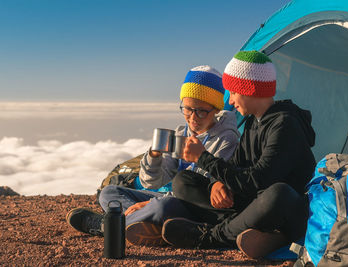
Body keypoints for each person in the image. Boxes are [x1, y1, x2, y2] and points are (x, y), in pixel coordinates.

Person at [161, 51, 316, 259]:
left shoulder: (285, 125)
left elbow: (256, 180)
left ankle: (212, 237)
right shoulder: (254, 121)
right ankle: (251, 232)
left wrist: (203, 158)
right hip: (252, 203)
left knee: (278, 193)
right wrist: (217, 182)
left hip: (282, 210)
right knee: (183, 181)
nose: (231, 101)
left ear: (249, 89)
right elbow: (237, 164)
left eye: (233, 92)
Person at [66, 65, 240, 246]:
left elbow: (200, 189)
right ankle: (152, 227)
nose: (192, 117)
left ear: (217, 109)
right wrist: (154, 156)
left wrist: (151, 204)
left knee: (162, 207)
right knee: (109, 192)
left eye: (201, 111)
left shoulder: (226, 139)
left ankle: (108, 226)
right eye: (187, 109)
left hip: (194, 207)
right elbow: (152, 183)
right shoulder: (182, 134)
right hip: (167, 199)